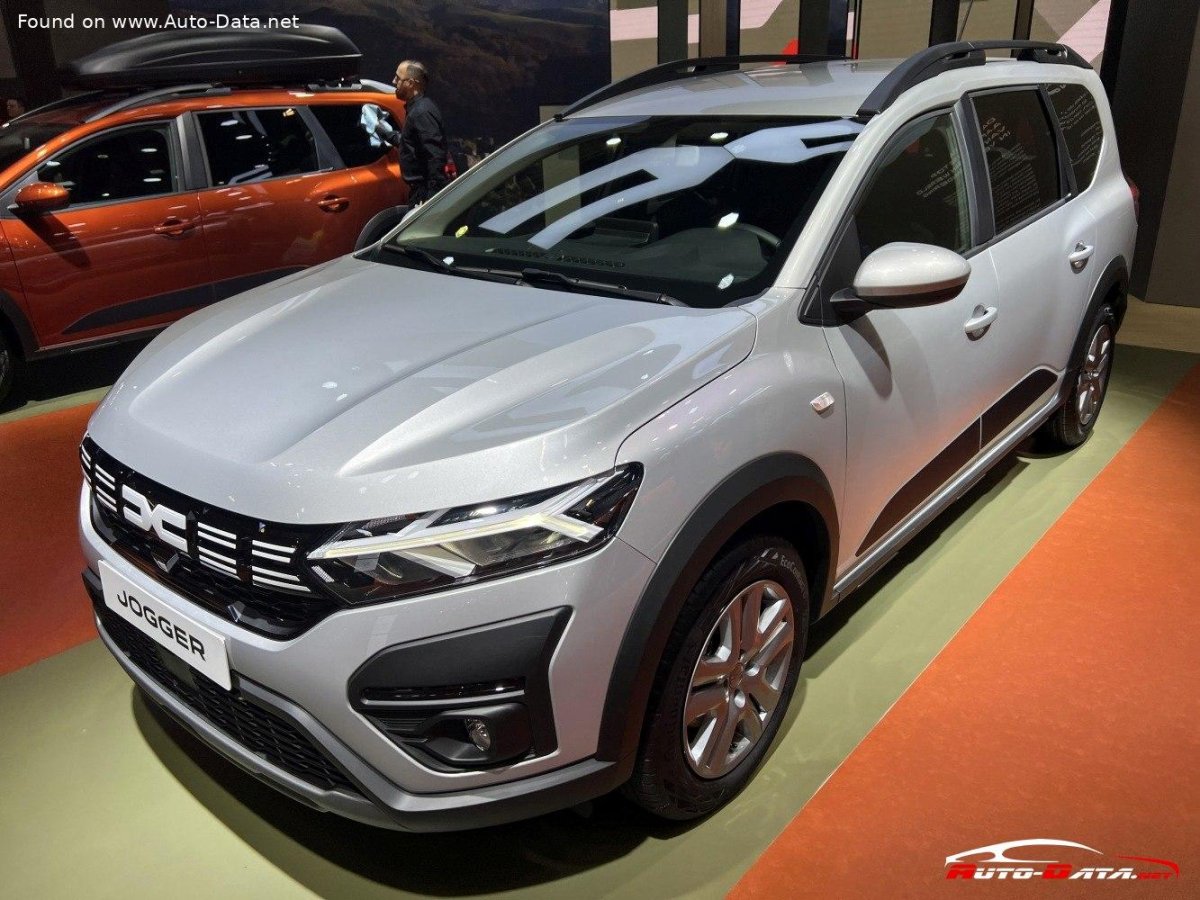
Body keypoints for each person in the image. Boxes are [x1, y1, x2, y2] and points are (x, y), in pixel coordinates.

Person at [377, 60, 449, 204]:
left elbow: (435, 154)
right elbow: (411, 144)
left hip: (424, 194)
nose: (393, 81)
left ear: (410, 83)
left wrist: (431, 198)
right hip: (420, 191)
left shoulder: (421, 113)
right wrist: (387, 133)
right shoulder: (418, 109)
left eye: (398, 78)